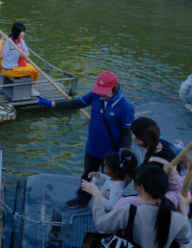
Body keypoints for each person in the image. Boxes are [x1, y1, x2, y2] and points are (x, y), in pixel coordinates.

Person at [38, 71, 134, 208]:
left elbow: (126, 132)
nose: (101, 93)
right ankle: (82, 200)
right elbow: (76, 103)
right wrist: (53, 104)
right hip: (92, 148)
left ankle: (113, 204)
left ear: (115, 88)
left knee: (113, 180)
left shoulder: (126, 106)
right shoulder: (95, 95)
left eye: (104, 91)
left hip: (111, 152)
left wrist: (126, 151)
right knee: (88, 175)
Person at [0, 22, 40, 87]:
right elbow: (1, 55)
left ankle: (28, 86)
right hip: (10, 69)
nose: (23, 33)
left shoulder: (21, 40)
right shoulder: (9, 42)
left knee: (36, 68)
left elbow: (27, 52)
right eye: (21, 31)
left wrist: (25, 54)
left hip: (18, 65)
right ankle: (31, 89)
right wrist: (5, 42)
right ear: (16, 32)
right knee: (35, 71)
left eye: (24, 31)